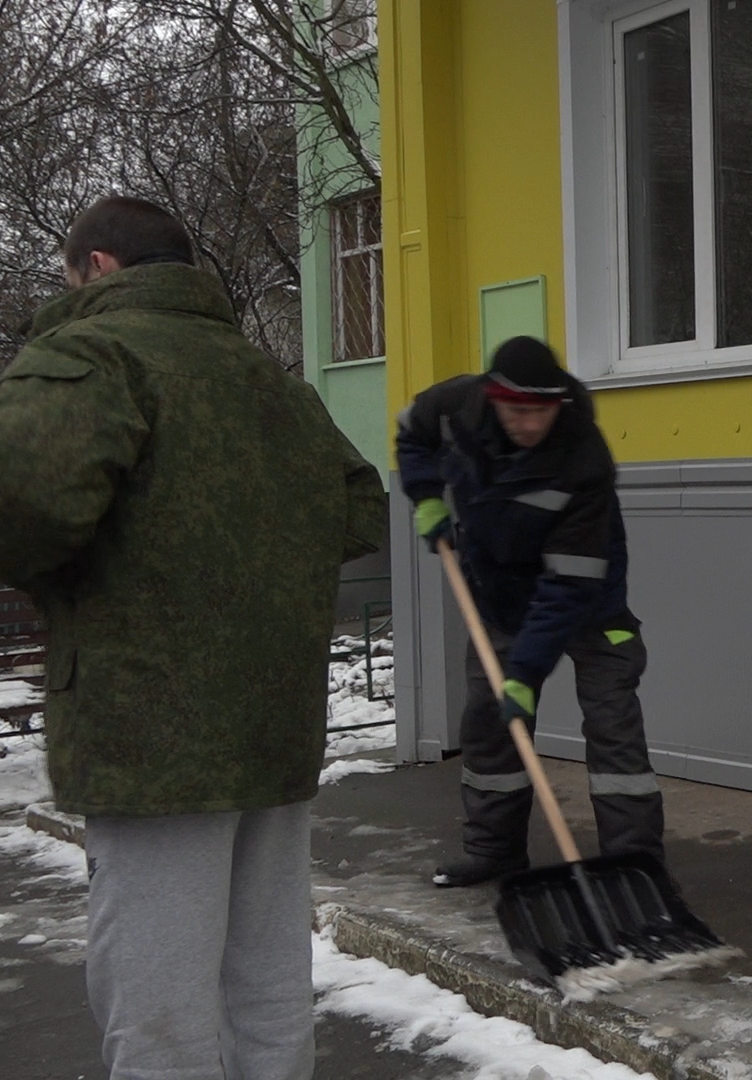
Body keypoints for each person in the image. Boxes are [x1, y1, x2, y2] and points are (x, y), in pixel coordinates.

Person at [0, 196, 387, 1080]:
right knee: (268, 978)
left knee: (159, 1000)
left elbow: (21, 501)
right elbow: (359, 507)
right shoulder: (264, 377)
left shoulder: (93, 353)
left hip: (152, 732)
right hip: (271, 725)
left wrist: (78, 585)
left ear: (98, 267)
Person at [395, 336, 666, 888]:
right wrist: (426, 495)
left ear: (557, 404)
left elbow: (567, 583)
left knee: (614, 728)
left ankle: (634, 869)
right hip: (498, 596)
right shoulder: (454, 407)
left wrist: (524, 672)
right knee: (489, 727)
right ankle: (493, 851)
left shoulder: (582, 457)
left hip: (590, 600)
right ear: (494, 399)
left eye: (541, 412)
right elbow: (411, 434)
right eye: (518, 411)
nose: (529, 424)